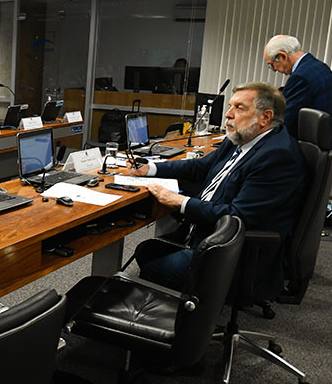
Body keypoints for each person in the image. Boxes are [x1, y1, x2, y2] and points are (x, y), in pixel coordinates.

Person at [125, 82, 305, 300]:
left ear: (265, 118)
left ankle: (192, 319)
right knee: (145, 251)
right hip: (203, 232)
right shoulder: (242, 137)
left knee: (153, 269)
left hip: (233, 253)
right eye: (230, 106)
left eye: (239, 108)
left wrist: (180, 202)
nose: (228, 115)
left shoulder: (277, 156)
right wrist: (149, 169)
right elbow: (199, 167)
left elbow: (237, 216)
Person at [263, 34, 332, 167]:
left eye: (271, 65)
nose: (274, 70)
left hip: (309, 156)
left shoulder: (301, 77)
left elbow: (285, 119)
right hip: (327, 147)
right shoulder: (320, 67)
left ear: (283, 56)